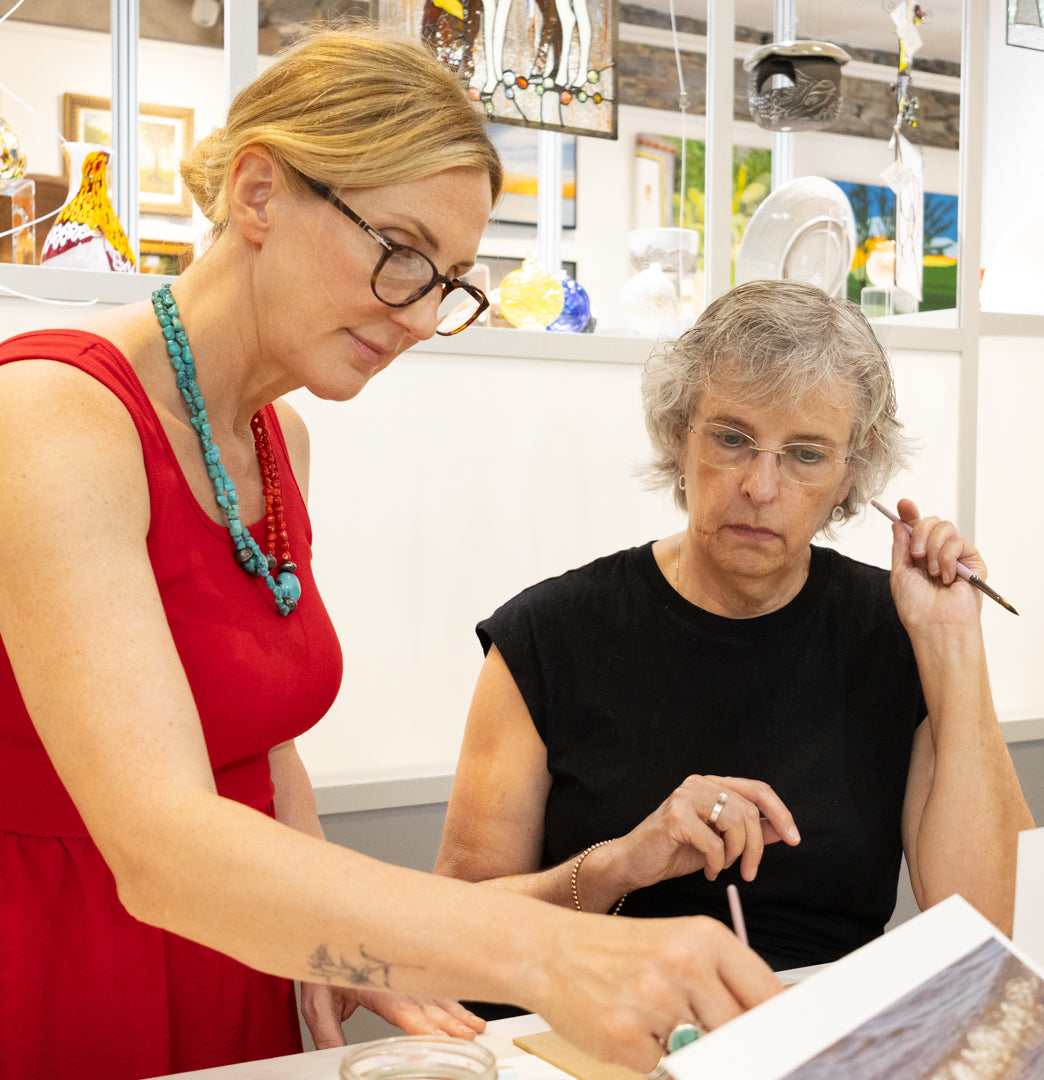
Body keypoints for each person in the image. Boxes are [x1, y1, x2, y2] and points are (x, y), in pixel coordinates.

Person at [0, 29, 783, 1080]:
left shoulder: (281, 444)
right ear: (260, 192)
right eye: (402, 251)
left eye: (452, 281)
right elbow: (159, 843)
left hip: (241, 950)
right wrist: (553, 952)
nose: (421, 314)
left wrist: (347, 942)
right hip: (67, 965)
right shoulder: (52, 419)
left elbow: (263, 743)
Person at [435, 280, 1034, 1003]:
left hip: (821, 1036)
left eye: (806, 455)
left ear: (853, 475)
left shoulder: (897, 634)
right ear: (679, 432)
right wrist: (619, 865)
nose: (760, 485)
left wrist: (952, 648)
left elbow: (992, 922)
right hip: (598, 1031)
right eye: (732, 438)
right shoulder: (547, 638)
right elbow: (452, 934)